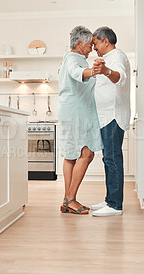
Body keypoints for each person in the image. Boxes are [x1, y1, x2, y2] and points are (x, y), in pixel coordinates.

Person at [58, 26, 103, 215]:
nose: (92, 47)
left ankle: (67, 200)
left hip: (73, 111)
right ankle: (71, 199)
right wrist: (94, 71)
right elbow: (78, 73)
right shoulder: (73, 59)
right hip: (77, 112)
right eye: (89, 44)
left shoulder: (71, 58)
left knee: (71, 155)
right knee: (87, 153)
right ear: (78, 44)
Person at [90, 27, 131, 217]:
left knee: (113, 158)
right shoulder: (107, 59)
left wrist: (106, 71)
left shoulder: (118, 57)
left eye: (95, 43)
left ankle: (115, 205)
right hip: (105, 116)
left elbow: (120, 78)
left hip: (113, 115)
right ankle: (110, 200)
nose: (94, 48)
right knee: (108, 159)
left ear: (106, 41)